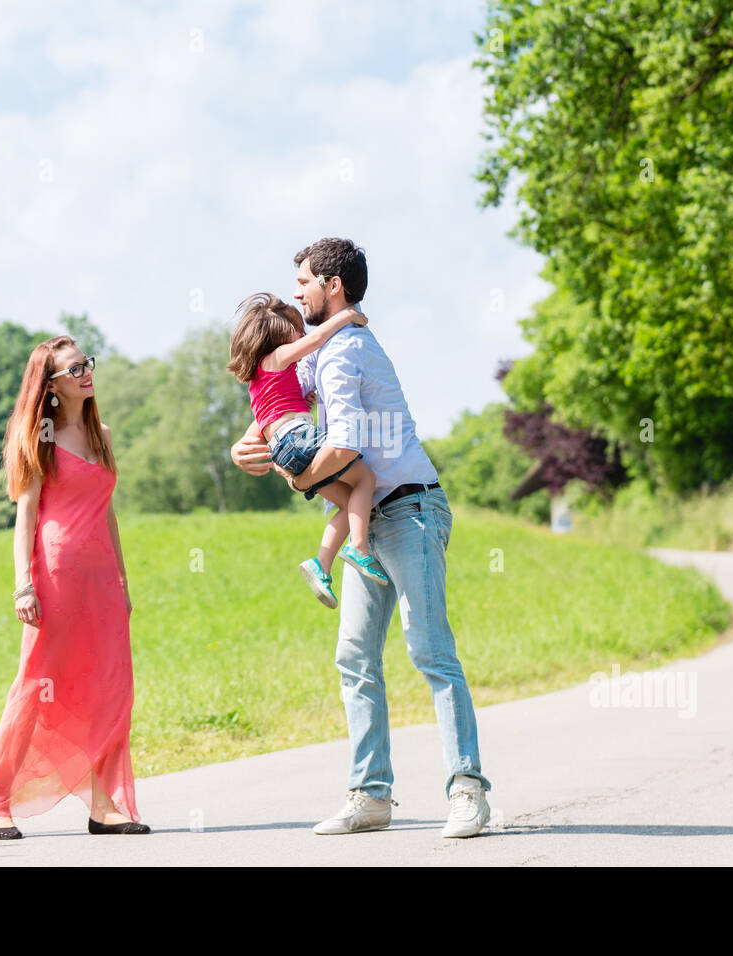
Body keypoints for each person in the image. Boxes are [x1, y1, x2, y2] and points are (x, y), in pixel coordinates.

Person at [230, 238, 492, 838]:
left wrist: (292, 474)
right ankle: (371, 795)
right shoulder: (320, 353)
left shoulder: (345, 352)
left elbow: (344, 448)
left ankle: (467, 790)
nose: (297, 292)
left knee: (429, 650)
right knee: (354, 656)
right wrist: (247, 445)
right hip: (367, 517)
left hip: (408, 511)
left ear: (333, 285)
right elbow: (275, 402)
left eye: (303, 281)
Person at [0, 336, 148, 839]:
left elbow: (107, 513)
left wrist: (123, 580)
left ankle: (103, 806)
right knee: (36, 686)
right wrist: (23, 586)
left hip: (101, 582)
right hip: (55, 578)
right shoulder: (40, 437)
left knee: (108, 688)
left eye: (86, 365)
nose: (85, 374)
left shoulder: (104, 435)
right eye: (73, 370)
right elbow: (25, 516)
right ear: (50, 386)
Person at [226, 292, 389, 608]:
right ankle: (359, 548)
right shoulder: (278, 355)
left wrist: (302, 405)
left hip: (285, 449)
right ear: (280, 334)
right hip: (298, 439)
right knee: (365, 478)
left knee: (351, 504)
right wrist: (348, 315)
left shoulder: (260, 376)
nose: (301, 334)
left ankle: (321, 566)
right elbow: (317, 339)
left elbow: (272, 414)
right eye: (296, 329)